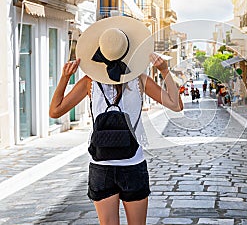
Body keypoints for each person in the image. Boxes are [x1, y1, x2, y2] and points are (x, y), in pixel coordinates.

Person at [49, 16, 183, 225]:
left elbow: (55, 111)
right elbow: (176, 104)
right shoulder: (140, 80)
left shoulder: (88, 82)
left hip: (100, 166)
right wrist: (165, 71)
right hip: (132, 163)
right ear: (129, 51)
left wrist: (65, 78)